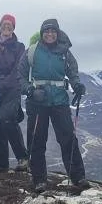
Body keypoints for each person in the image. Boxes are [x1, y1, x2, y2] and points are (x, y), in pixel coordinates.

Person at [24, 17, 87, 194]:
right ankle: (39, 180)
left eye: (53, 31)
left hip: (59, 101)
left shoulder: (65, 52)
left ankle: (78, 177)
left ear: (57, 33)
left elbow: (73, 72)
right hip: (37, 102)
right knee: (37, 141)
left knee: (68, 138)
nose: (50, 34)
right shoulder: (32, 52)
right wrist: (30, 90)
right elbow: (19, 76)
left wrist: (77, 85)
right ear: (42, 33)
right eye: (47, 31)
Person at [0, 14, 30, 175]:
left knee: (7, 118)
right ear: (0, 25)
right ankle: (2, 162)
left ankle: (23, 158)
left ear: (13, 28)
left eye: (10, 25)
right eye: (4, 24)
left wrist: (2, 84)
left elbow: (18, 69)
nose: (7, 27)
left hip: (12, 88)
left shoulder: (19, 47)